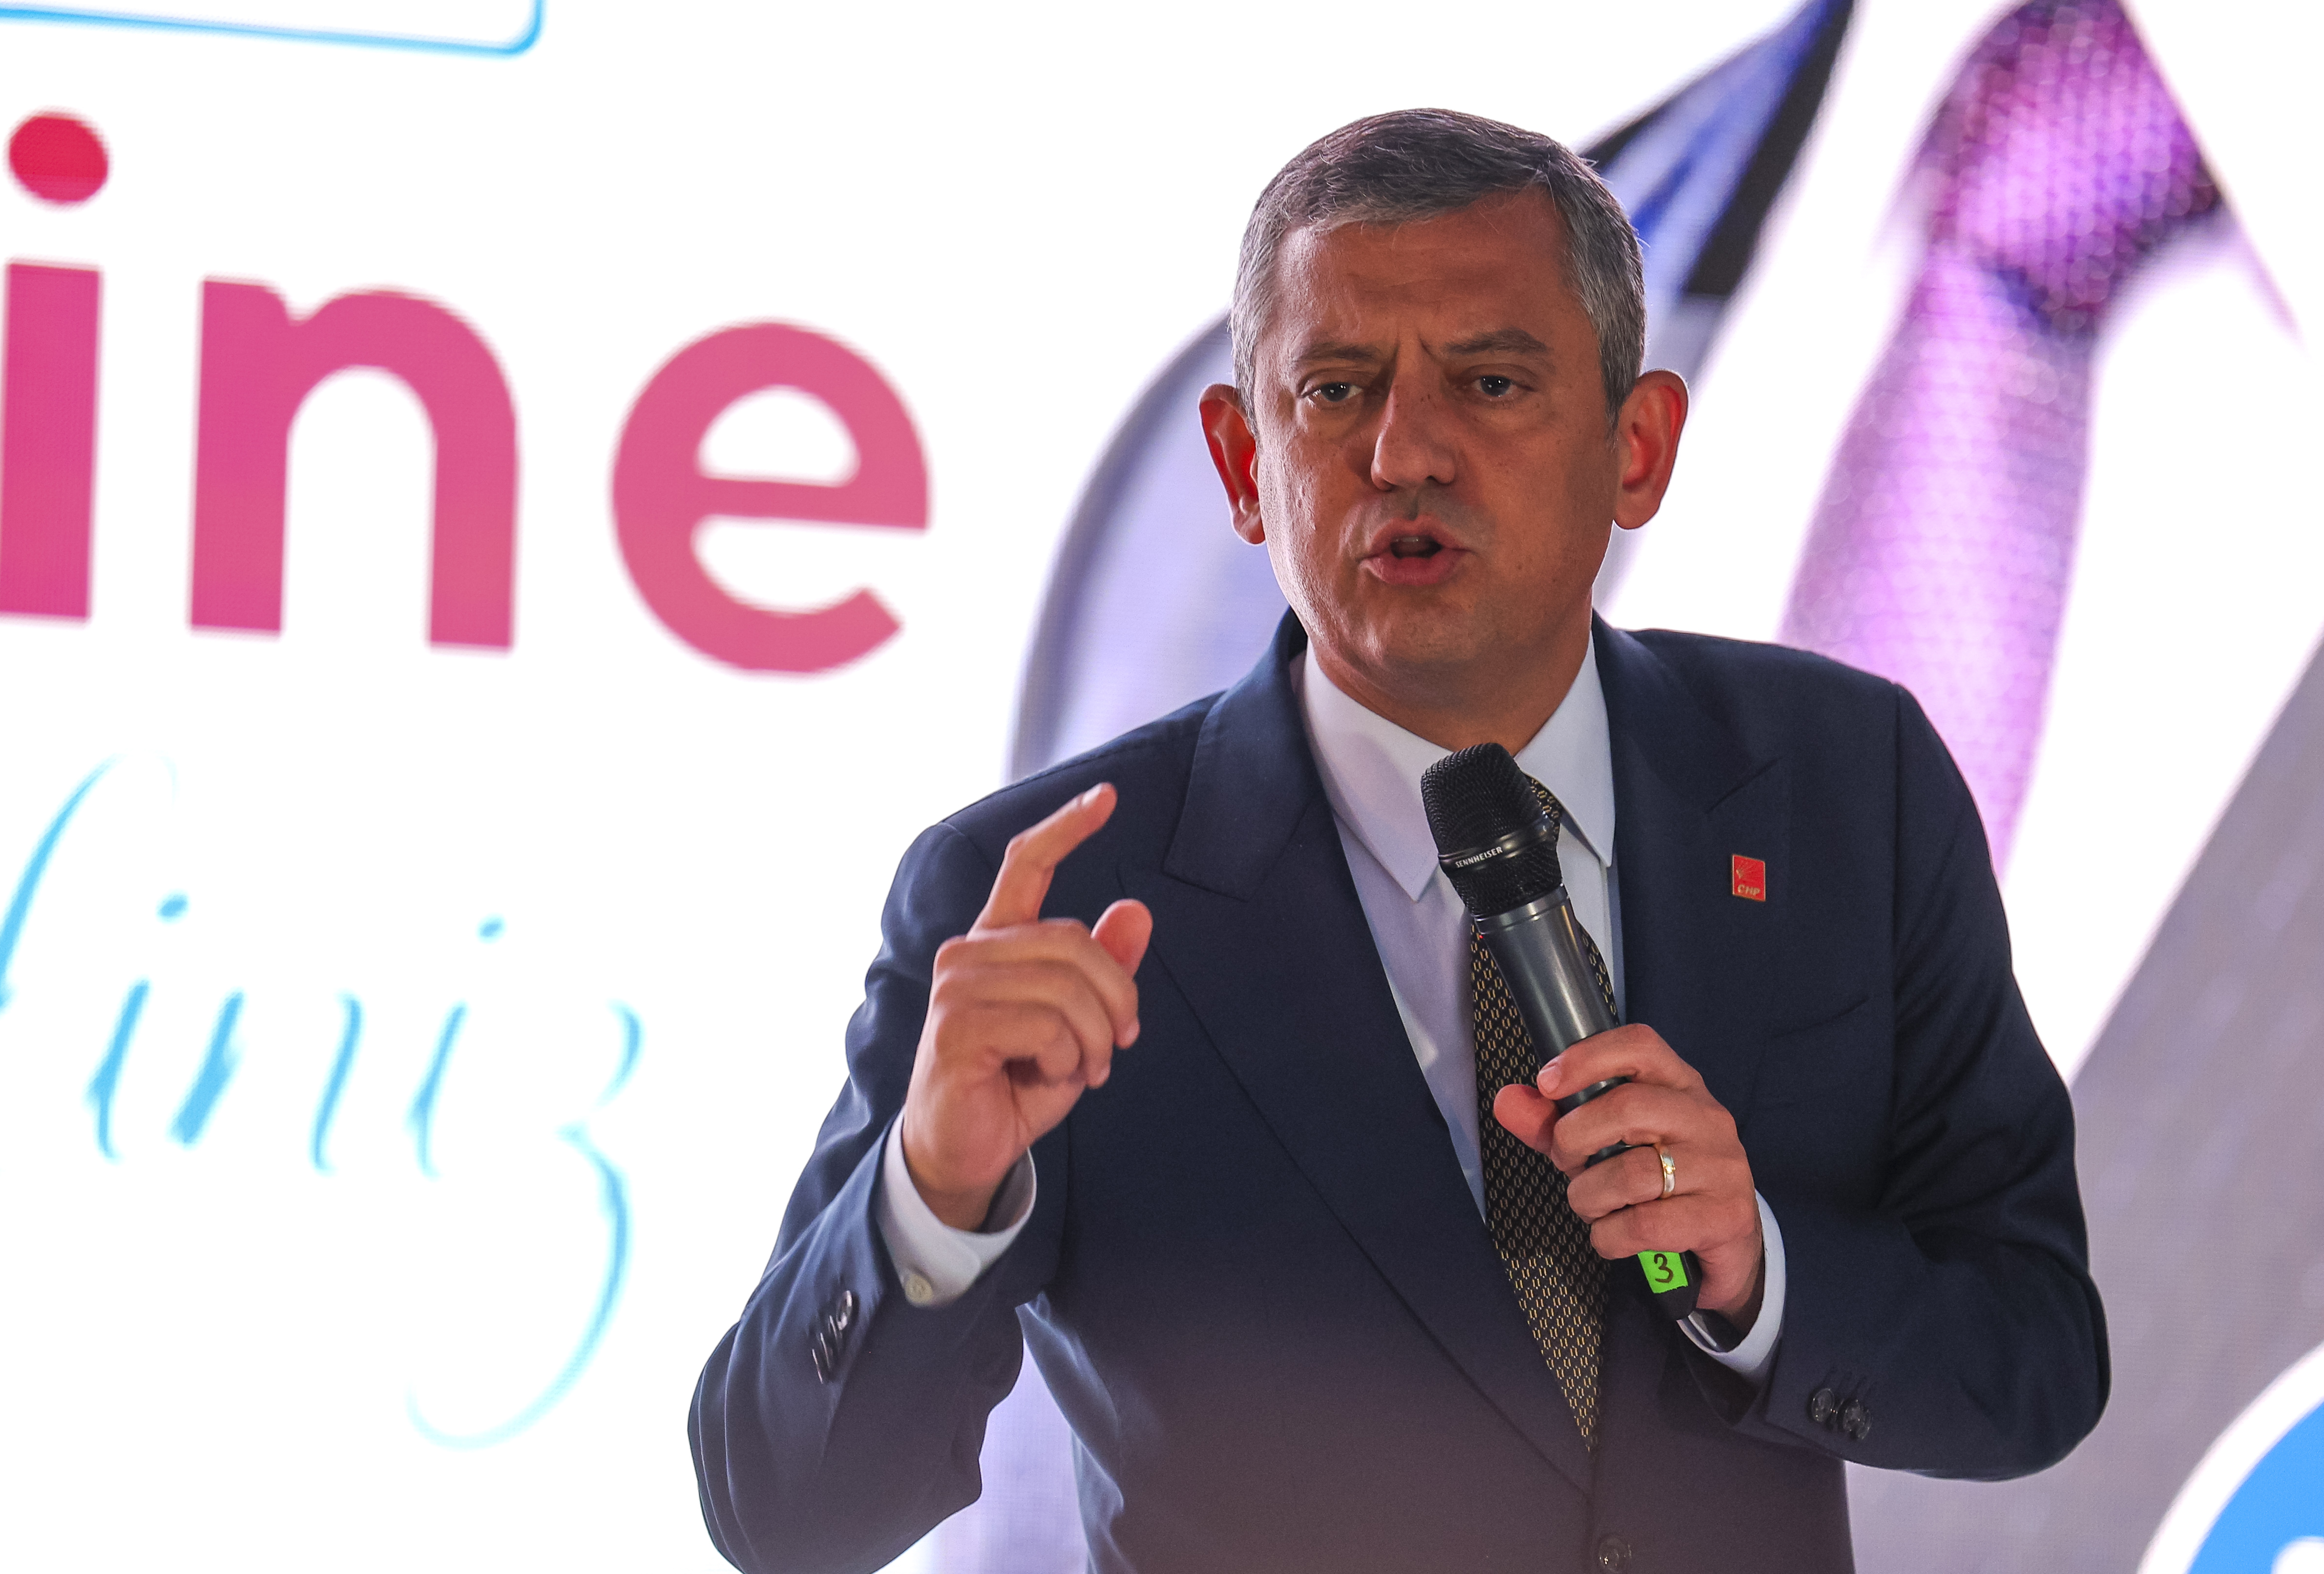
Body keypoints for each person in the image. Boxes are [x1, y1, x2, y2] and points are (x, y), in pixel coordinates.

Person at [689, 109, 2107, 1574]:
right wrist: (932, 1194)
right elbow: (782, 1513)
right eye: (1335, 389)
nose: (1406, 451)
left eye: (1491, 383)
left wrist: (1764, 1279)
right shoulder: (1045, 898)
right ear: (1242, 465)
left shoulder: (1843, 782)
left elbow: (2036, 1357)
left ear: (1638, 447)